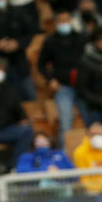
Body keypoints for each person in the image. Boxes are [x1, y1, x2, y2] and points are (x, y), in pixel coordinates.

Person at [37, 9, 86, 139]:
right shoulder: (50, 41)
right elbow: (41, 64)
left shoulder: (81, 38)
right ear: (56, 23)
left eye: (66, 20)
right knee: (65, 122)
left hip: (83, 86)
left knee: (90, 120)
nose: (64, 23)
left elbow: (89, 62)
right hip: (62, 85)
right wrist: (50, 79)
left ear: (71, 21)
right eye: (60, 20)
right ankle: (64, 154)